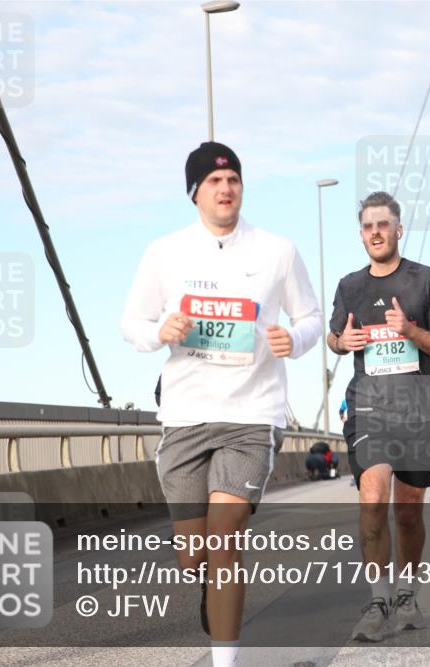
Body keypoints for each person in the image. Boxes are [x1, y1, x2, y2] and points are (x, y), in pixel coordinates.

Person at [120, 142, 321, 666]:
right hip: (186, 415)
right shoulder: (165, 253)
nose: (226, 188)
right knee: (194, 555)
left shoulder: (277, 250)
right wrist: (158, 332)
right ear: (194, 193)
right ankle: (210, 584)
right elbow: (131, 324)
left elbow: (312, 318)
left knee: (225, 536)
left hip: (252, 415)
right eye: (213, 181)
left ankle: (225, 661)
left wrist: (293, 341)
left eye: (232, 178)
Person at [327, 191, 430, 642]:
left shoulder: (426, 281)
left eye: (383, 225)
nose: (375, 232)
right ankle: (378, 598)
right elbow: (334, 338)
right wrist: (341, 343)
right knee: (373, 495)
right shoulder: (350, 286)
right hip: (369, 403)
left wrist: (413, 331)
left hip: (417, 405)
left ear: (398, 230)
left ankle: (406, 591)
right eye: (367, 226)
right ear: (361, 233)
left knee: (407, 511)